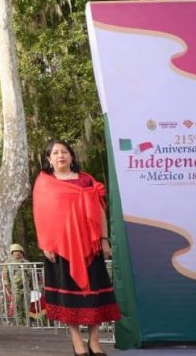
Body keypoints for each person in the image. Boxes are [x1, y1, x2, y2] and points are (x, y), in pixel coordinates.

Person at [32, 140, 120, 356]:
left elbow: (100, 211)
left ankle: (94, 341)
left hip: (90, 246)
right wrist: (45, 243)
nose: (60, 155)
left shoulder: (87, 179)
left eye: (64, 152)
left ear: (72, 156)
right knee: (68, 298)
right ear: (48, 159)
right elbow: (40, 214)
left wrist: (104, 239)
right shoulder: (44, 182)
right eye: (55, 153)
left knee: (94, 295)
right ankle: (77, 341)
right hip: (60, 248)